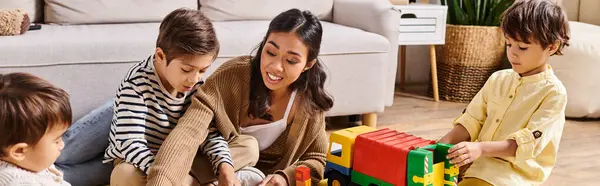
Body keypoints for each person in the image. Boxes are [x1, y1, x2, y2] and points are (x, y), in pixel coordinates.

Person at [146, 9, 334, 186]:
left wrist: (285, 177)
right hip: (206, 169)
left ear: (308, 64)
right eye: (270, 52)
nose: (275, 66)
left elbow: (317, 159)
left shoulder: (310, 104)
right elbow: (189, 130)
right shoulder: (232, 76)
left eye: (291, 60)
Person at [103, 8, 258, 186]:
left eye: (202, 70)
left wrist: (225, 167)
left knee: (249, 147)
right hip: (145, 162)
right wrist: (165, 175)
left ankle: (192, 180)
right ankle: (193, 181)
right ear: (160, 56)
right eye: (186, 70)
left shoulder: (197, 84)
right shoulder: (136, 84)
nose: (194, 79)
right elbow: (130, 144)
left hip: (184, 158)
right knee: (125, 175)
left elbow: (208, 133)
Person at [437, 0, 571, 185]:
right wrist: (439, 147)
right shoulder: (497, 79)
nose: (513, 53)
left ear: (551, 47)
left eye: (522, 47)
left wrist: (481, 149)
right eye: (509, 44)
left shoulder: (554, 93)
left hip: (509, 175)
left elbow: (527, 144)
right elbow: (471, 121)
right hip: (473, 163)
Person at [0, 72, 73, 185]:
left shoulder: (29, 160)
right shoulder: (22, 182)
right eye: (57, 140)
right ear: (19, 151)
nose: (62, 145)